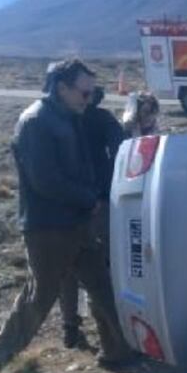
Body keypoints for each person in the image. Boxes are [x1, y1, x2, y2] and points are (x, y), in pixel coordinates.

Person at [0, 58, 133, 369]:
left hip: (77, 222)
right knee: (41, 294)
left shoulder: (68, 116)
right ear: (62, 88)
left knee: (102, 286)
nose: (89, 100)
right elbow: (45, 180)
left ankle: (120, 351)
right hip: (48, 227)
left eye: (92, 93)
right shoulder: (36, 122)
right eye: (84, 93)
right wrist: (88, 198)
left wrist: (90, 199)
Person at [58, 85, 124, 348]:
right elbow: (121, 148)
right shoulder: (103, 119)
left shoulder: (58, 120)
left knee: (69, 268)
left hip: (66, 204)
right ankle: (112, 332)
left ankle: (70, 325)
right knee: (102, 266)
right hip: (99, 201)